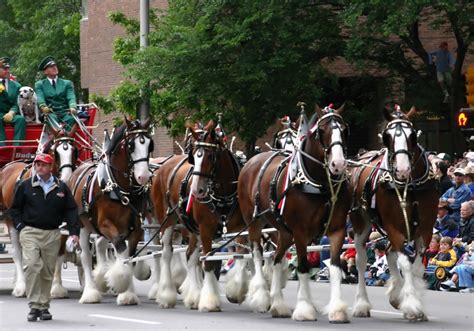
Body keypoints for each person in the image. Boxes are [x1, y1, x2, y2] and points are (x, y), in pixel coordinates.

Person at [8, 153, 80, 322]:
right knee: (32, 266)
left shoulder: (61, 188)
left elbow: (71, 210)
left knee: (48, 271)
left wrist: (74, 232)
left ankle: (44, 306)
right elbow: (15, 209)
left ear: (51, 167)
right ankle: (34, 305)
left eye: (43, 165)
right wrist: (20, 227)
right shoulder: (26, 186)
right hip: (30, 232)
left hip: (52, 234)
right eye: (37, 164)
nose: (40, 167)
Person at [35, 56, 77, 133]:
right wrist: (43, 106)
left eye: (55, 65)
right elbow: (40, 97)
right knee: (49, 118)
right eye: (51, 67)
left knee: (72, 118)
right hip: (51, 112)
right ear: (45, 72)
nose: (54, 68)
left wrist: (73, 106)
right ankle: (58, 138)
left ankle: (65, 140)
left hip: (65, 111)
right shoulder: (40, 84)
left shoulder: (66, 83)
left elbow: (71, 97)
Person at [0, 56, 26, 146]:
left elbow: (17, 102)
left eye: (8, 68)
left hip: (10, 114)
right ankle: (2, 148)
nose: (7, 71)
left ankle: (17, 149)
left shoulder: (16, 85)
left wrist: (11, 112)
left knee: (21, 119)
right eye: (4, 69)